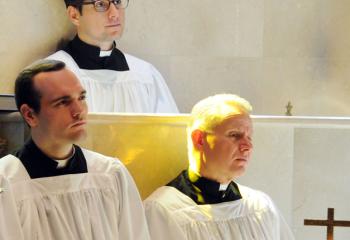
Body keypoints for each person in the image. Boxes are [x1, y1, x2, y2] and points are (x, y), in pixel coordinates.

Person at [0, 59, 150, 240]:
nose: (79, 110)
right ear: (30, 115)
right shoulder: (6, 182)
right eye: (63, 102)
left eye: (81, 97)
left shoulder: (110, 174)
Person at [144, 94, 295, 240]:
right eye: (234, 135)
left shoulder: (260, 207)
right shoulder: (162, 211)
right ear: (199, 139)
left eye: (249, 137)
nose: (247, 146)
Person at [47, 0, 178, 113]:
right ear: (74, 15)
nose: (115, 14)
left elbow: (171, 137)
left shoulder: (145, 75)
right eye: (100, 4)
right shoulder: (50, 76)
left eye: (117, 2)